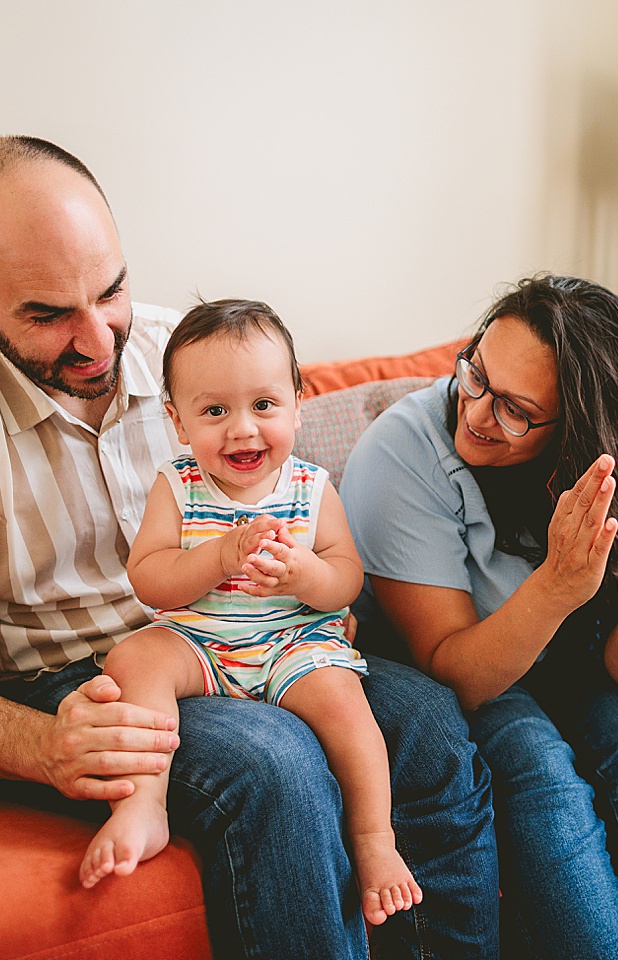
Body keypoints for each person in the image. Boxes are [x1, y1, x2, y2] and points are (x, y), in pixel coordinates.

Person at [0, 136, 496, 959]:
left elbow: (300, 490)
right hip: (76, 673)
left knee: (428, 721)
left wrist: (319, 594)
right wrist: (43, 747)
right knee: (275, 766)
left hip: (255, 629)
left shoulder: (190, 358)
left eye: (109, 291)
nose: (98, 339)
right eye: (47, 314)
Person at [339, 275, 618, 960]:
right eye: (476, 374)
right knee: (535, 763)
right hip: (459, 670)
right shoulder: (402, 454)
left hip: (565, 653)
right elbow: (455, 672)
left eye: (515, 409)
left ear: (576, 428)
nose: (476, 412)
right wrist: (557, 587)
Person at [82, 297, 421, 925]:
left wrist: (305, 573)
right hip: (200, 639)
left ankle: (376, 840)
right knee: (134, 658)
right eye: (214, 411)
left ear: (297, 401)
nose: (242, 428)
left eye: (263, 405)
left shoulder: (311, 487)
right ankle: (144, 806)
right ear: (178, 422)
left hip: (294, 642)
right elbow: (148, 578)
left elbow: (346, 578)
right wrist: (216, 560)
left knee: (349, 707)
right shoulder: (177, 485)